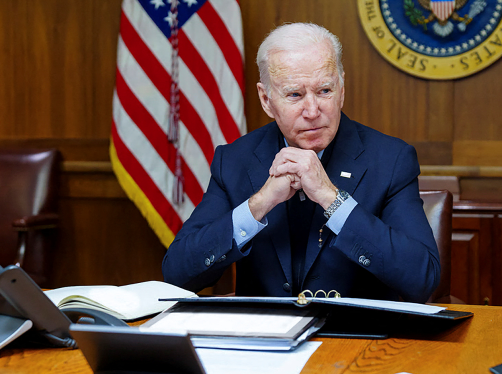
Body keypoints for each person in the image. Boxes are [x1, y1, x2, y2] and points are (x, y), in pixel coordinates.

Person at [162, 23, 440, 303]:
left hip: (356, 338)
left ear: (341, 89)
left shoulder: (390, 159)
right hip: (266, 340)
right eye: (295, 95)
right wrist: (259, 203)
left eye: (324, 91)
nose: (312, 111)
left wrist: (332, 199)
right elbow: (177, 274)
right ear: (266, 99)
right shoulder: (234, 160)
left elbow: (422, 278)